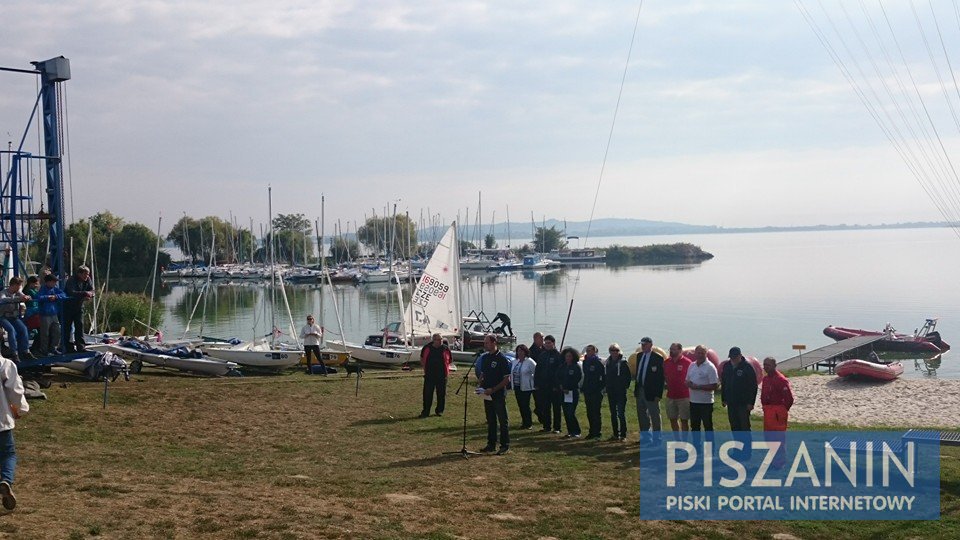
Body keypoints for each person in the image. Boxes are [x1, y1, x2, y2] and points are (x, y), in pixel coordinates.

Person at [0, 351, 28, 510]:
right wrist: (21, 409)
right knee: (8, 454)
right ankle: (6, 480)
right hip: (1, 420)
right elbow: (16, 392)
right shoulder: (5, 365)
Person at [478, 334, 511, 455]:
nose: (485, 345)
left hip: (498, 394)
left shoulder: (501, 358)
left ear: (494, 343)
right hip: (487, 394)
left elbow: (507, 379)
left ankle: (505, 445)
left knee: (503, 420)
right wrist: (480, 384)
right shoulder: (485, 357)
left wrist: (493, 389)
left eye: (487, 343)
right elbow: (483, 374)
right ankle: (491, 444)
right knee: (490, 420)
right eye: (484, 343)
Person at [761, 357, 794, 468]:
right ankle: (773, 459)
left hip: (777, 413)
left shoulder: (781, 380)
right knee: (768, 437)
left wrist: (782, 411)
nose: (765, 367)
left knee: (778, 438)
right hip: (768, 412)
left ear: (774, 366)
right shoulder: (765, 379)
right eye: (764, 365)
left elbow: (789, 399)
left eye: (768, 365)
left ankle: (779, 462)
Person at [633, 336, 664, 445]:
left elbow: (661, 379)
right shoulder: (639, 356)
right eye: (641, 344)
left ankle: (657, 438)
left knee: (654, 415)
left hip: (652, 391)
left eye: (644, 344)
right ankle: (645, 437)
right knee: (642, 414)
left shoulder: (658, 358)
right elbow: (638, 373)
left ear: (651, 345)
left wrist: (658, 394)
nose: (642, 346)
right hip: (640, 389)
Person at [720, 346, 758, 432]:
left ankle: (747, 445)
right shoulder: (727, 366)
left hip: (743, 403)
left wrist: (751, 402)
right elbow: (724, 383)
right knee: (734, 425)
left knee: (744, 426)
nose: (733, 359)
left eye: (735, 357)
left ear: (740, 355)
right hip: (731, 401)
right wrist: (724, 398)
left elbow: (753, 386)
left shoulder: (747, 367)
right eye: (731, 357)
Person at [685, 345, 719, 439]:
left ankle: (710, 448)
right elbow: (687, 380)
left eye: (702, 353)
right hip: (693, 401)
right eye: (698, 353)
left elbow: (714, 385)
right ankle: (697, 448)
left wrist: (699, 387)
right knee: (695, 426)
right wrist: (689, 384)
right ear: (695, 353)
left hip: (706, 402)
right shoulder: (692, 365)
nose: (700, 355)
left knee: (708, 426)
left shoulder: (710, 367)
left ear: (706, 354)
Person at [0, 278, 35, 363]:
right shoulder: (3, 292)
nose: (19, 288)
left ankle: (25, 351)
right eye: (18, 286)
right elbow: (2, 299)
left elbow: (23, 296)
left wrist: (27, 297)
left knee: (23, 329)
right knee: (11, 330)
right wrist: (17, 299)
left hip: (14, 317)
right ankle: (14, 353)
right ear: (14, 285)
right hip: (3, 317)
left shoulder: (18, 292)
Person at [534, 335, 562, 433]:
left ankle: (557, 427)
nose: (547, 345)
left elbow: (560, 373)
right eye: (545, 343)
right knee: (545, 407)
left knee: (556, 408)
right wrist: (536, 383)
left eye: (549, 343)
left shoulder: (558, 355)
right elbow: (538, 370)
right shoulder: (542, 355)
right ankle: (546, 426)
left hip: (554, 387)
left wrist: (557, 385)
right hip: (543, 385)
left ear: (553, 343)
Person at [34, 274, 67, 357]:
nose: (54, 283)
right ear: (48, 282)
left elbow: (64, 295)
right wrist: (48, 297)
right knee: (45, 333)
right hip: (44, 314)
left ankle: (54, 348)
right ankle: (43, 350)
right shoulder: (43, 289)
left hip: (54, 314)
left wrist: (56, 297)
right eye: (53, 282)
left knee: (57, 332)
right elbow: (38, 297)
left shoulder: (55, 289)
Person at [664, 342, 693, 437]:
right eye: (670, 349)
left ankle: (684, 441)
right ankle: (677, 439)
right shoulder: (666, 362)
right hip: (670, 396)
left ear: (680, 350)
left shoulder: (688, 363)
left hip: (684, 396)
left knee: (684, 420)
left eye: (673, 349)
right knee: (672, 419)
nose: (671, 351)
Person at [420, 333, 451, 418]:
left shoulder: (446, 348)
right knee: (427, 394)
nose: (440, 341)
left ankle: (439, 411)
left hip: (442, 375)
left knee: (441, 394)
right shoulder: (427, 348)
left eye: (441, 339)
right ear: (434, 340)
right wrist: (424, 368)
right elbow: (422, 358)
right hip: (430, 375)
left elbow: (450, 360)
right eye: (438, 339)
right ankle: (426, 411)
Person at [63, 266, 94, 352]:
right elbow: (71, 292)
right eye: (85, 274)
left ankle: (81, 346)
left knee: (80, 325)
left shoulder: (87, 279)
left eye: (88, 274)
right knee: (67, 328)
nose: (87, 276)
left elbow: (91, 290)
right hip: (68, 307)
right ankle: (68, 347)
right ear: (79, 273)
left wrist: (90, 294)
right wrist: (85, 293)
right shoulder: (71, 280)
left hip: (79, 306)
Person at [604, 343, 631, 441]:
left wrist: (624, 387)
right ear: (610, 352)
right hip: (611, 391)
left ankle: (623, 434)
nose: (614, 352)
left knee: (621, 413)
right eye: (612, 350)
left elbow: (628, 377)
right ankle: (615, 433)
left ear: (619, 351)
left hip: (620, 392)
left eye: (616, 350)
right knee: (613, 413)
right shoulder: (608, 362)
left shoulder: (623, 362)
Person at [557, 347, 582, 438]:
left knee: (571, 412)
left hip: (572, 392)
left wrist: (568, 388)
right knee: (566, 412)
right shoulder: (562, 366)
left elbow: (577, 379)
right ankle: (570, 431)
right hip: (563, 392)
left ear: (573, 357)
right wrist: (560, 386)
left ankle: (576, 431)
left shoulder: (576, 367)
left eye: (569, 356)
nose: (568, 358)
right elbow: (558, 377)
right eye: (566, 356)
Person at [581, 344, 605, 440]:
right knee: (589, 412)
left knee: (596, 412)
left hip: (596, 391)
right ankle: (591, 431)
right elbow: (586, 376)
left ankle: (597, 432)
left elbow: (603, 377)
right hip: (588, 390)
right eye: (588, 350)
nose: (589, 352)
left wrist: (600, 388)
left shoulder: (598, 362)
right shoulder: (585, 362)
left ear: (595, 351)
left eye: (591, 350)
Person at [510, 344, 536, 429]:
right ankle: (524, 422)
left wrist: (534, 383)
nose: (520, 353)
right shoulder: (515, 361)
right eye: (518, 351)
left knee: (525, 405)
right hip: (517, 386)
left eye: (522, 351)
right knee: (520, 405)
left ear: (525, 352)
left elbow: (536, 372)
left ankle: (528, 423)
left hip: (526, 387)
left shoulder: (529, 361)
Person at [528, 332, 546, 425]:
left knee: (544, 400)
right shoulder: (531, 351)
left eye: (543, 338)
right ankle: (541, 415)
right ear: (535, 339)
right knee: (539, 399)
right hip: (536, 379)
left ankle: (543, 414)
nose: (543, 340)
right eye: (541, 338)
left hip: (545, 379)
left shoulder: (544, 349)